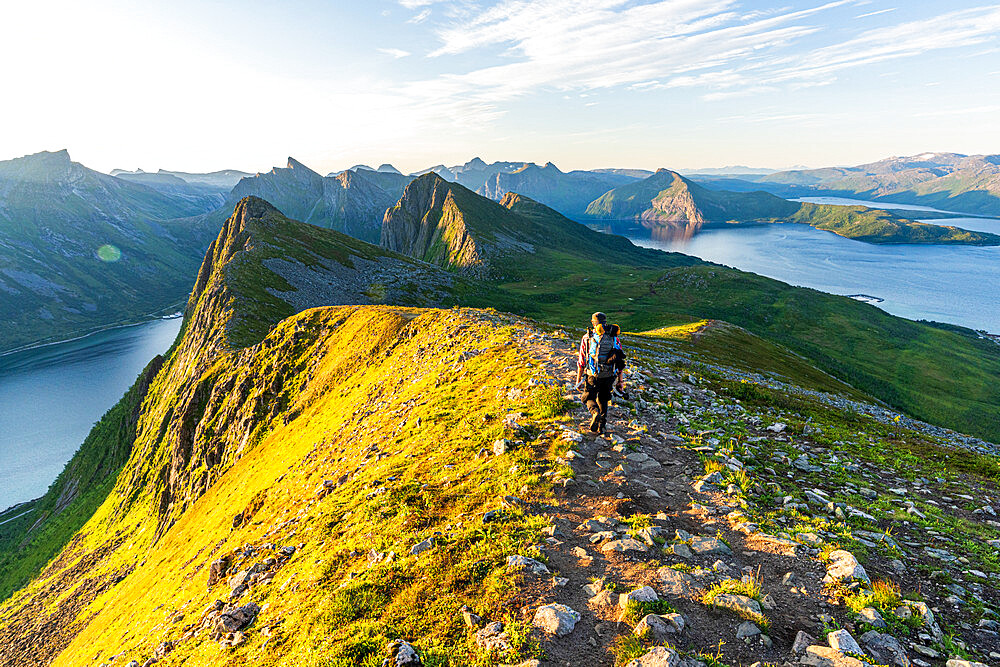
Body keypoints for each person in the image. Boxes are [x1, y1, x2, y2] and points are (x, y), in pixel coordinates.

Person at [575, 312, 625, 433]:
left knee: (588, 397)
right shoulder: (614, 338)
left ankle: (594, 412)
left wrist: (578, 380)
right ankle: (602, 426)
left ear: (593, 323)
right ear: (605, 323)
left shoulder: (587, 338)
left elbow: (582, 361)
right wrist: (620, 381)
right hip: (609, 375)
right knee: (603, 398)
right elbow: (619, 359)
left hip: (593, 374)